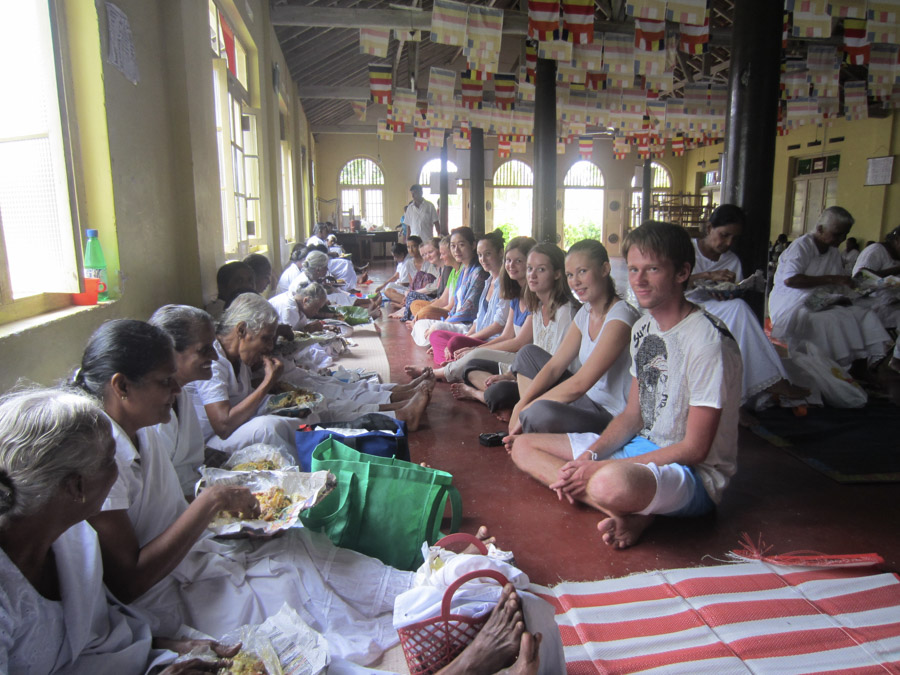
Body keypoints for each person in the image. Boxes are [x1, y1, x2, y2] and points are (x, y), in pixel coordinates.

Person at [75, 319, 420, 663]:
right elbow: (129, 583)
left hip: (191, 557)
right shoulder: (103, 459)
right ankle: (417, 607)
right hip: (161, 594)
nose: (177, 390)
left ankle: (419, 591)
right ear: (121, 386)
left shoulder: (145, 428)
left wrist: (231, 525)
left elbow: (167, 511)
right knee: (287, 591)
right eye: (166, 382)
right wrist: (210, 502)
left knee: (299, 544)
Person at [509, 221, 742, 550]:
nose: (639, 280)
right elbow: (633, 415)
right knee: (524, 447)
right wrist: (591, 456)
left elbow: (695, 449)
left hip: (691, 474)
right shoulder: (645, 328)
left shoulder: (707, 341)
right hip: (639, 449)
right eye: (633, 269)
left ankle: (626, 504)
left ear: (682, 272)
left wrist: (600, 467)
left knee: (609, 482)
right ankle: (631, 514)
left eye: (653, 269)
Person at [0, 388, 236, 673]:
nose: (119, 473)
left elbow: (91, 633)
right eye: (111, 460)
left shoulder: (71, 540)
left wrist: (166, 646)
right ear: (77, 487)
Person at [188, 294, 432, 446]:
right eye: (264, 339)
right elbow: (222, 425)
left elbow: (241, 396)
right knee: (273, 427)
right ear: (241, 331)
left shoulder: (237, 355)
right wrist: (266, 384)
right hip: (215, 440)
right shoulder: (215, 360)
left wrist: (280, 394)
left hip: (243, 420)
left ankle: (396, 413)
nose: (269, 347)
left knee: (313, 407)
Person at [501, 239, 640, 436]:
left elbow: (581, 382)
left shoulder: (621, 317)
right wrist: (522, 404)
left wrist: (529, 406)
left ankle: (530, 425)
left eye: (582, 271)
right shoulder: (587, 312)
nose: (575, 281)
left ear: (604, 269)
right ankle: (528, 422)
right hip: (585, 402)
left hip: (609, 414)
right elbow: (554, 366)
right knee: (527, 354)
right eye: (570, 275)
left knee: (539, 413)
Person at [688, 204, 808, 403]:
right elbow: (673, 280)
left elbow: (732, 292)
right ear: (709, 228)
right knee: (739, 310)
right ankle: (769, 381)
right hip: (687, 305)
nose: (728, 242)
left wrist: (727, 292)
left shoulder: (732, 260)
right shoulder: (688, 249)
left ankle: (737, 395)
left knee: (738, 314)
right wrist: (708, 275)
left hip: (717, 308)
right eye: (724, 235)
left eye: (734, 238)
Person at [452, 242, 579, 415]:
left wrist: (513, 378)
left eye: (541, 270)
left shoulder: (565, 311)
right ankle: (498, 399)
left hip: (553, 383)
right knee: (471, 367)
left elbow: (553, 366)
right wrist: (509, 376)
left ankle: (480, 395)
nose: (532, 275)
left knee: (499, 390)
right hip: (528, 375)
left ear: (557, 273)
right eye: (529, 269)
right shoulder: (538, 307)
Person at [769, 206, 890, 367]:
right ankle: (825, 367)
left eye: (845, 234)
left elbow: (836, 285)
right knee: (832, 320)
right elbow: (791, 280)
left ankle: (858, 367)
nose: (841, 239)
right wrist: (834, 280)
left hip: (820, 299)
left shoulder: (833, 252)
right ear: (820, 229)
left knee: (864, 314)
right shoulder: (802, 246)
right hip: (793, 303)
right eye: (837, 234)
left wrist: (856, 287)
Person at [406, 237, 536, 384]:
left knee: (460, 348)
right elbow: (504, 333)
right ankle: (459, 368)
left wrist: (474, 347)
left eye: (518, 261)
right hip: (487, 339)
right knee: (444, 340)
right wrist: (471, 346)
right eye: (509, 260)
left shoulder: (525, 295)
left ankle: (446, 372)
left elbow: (509, 336)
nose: (511, 265)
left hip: (511, 351)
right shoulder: (510, 291)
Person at [148, 305, 218, 496]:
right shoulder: (149, 410)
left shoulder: (181, 394)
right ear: (170, 352)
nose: (215, 356)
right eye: (204, 350)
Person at [425, 232, 510, 368]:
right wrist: (466, 339)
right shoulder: (489, 281)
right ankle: (454, 364)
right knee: (437, 336)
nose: (483, 259)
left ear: (501, 253)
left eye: (488, 254)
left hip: (491, 341)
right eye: (480, 255)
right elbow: (478, 320)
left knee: (454, 343)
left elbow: (497, 326)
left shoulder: (505, 284)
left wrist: (467, 340)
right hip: (477, 336)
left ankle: (453, 366)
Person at [411, 226, 487, 346]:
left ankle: (439, 340)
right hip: (454, 319)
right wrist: (445, 322)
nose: (456, 250)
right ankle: (438, 340)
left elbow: (467, 309)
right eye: (452, 246)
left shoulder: (478, 272)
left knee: (435, 328)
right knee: (421, 325)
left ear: (473, 245)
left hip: (467, 324)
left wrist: (444, 324)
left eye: (461, 245)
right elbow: (455, 305)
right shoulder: (463, 271)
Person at [406, 235, 460, 322]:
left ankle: (416, 317)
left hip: (450, 312)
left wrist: (425, 311)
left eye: (443, 254)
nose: (441, 257)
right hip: (443, 305)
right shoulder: (453, 272)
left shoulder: (452, 269)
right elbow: (442, 299)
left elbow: (450, 306)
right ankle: (417, 317)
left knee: (421, 308)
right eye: (424, 255)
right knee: (415, 305)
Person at [388, 237, 442, 319]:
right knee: (390, 289)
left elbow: (433, 287)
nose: (427, 256)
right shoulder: (432, 265)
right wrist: (410, 292)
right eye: (424, 254)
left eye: (430, 252)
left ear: (440, 250)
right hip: (424, 293)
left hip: (433, 296)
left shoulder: (443, 267)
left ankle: (406, 309)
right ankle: (407, 306)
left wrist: (413, 293)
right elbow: (412, 283)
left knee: (415, 301)